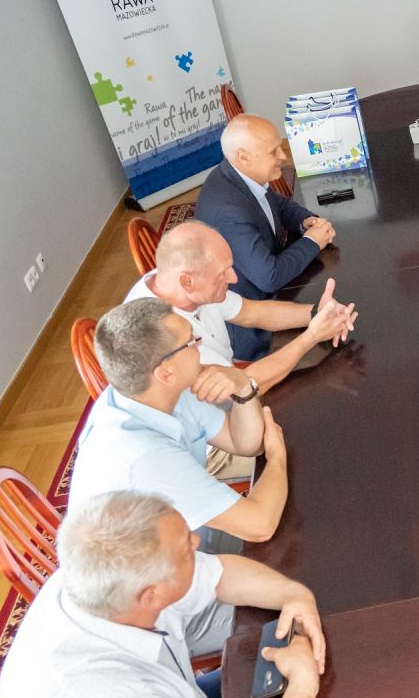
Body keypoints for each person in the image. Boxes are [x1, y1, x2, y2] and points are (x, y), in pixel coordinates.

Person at [0, 491, 326, 698]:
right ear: (151, 596)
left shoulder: (105, 576)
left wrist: (293, 594)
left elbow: (220, 573)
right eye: (186, 550)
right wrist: (302, 685)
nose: (197, 541)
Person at [69, 299, 289, 550]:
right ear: (165, 372)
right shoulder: (145, 457)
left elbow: (245, 443)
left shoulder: (157, 390)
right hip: (168, 568)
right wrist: (277, 456)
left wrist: (242, 386)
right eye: (191, 342)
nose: (199, 344)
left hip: (190, 535)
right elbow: (260, 526)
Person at [126, 220, 359, 393]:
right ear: (188, 281)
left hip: (231, 375)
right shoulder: (163, 338)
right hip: (217, 421)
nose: (234, 278)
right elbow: (242, 387)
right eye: (223, 272)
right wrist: (312, 336)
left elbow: (251, 312)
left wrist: (317, 313)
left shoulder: (176, 280)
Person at [195, 113, 337, 361]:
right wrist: (313, 241)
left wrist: (305, 221)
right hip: (254, 329)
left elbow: (277, 204)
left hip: (273, 293)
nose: (283, 156)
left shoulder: (238, 175)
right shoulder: (229, 212)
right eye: (274, 152)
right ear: (243, 157)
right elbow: (269, 277)